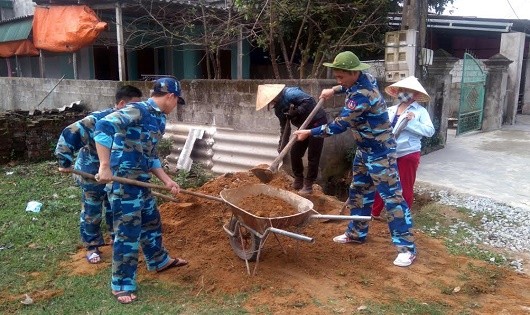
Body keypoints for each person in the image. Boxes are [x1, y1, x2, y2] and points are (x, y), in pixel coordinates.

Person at [293, 51, 416, 267]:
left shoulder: (361, 97)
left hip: (381, 153)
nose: (338, 80)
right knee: (359, 192)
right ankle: (356, 234)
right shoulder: (365, 78)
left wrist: (309, 133)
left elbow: (338, 125)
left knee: (392, 199)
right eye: (336, 77)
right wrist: (335, 89)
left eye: (341, 77)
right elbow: (347, 87)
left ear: (354, 73)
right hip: (364, 150)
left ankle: (407, 249)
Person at [94, 77, 187, 304]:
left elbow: (151, 156)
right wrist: (104, 166)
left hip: (141, 181)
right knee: (128, 233)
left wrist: (167, 180)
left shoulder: (159, 119)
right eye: (177, 101)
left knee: (152, 222)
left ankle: (158, 260)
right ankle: (122, 284)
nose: (176, 106)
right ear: (170, 96)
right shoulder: (137, 110)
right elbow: (103, 127)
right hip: (124, 182)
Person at [55, 85, 143, 264]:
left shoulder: (130, 123)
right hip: (91, 172)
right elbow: (69, 134)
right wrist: (64, 162)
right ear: (121, 104)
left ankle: (114, 237)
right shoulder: (98, 120)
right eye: (133, 106)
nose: (136, 110)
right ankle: (92, 246)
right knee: (92, 209)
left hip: (115, 174)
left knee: (113, 206)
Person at [371, 76, 435, 219]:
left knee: (405, 186)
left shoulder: (420, 112)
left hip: (408, 153)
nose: (403, 93)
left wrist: (411, 122)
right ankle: (374, 212)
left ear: (415, 95)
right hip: (388, 152)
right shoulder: (391, 110)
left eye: (408, 91)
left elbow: (430, 131)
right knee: (383, 183)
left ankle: (402, 217)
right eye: (401, 90)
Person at [255, 84, 328, 193]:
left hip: (317, 122)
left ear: (274, 96)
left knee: (313, 155)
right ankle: (299, 179)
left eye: (270, 101)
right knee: (295, 152)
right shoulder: (278, 109)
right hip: (303, 127)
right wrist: (281, 146)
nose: (270, 104)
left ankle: (308, 184)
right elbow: (284, 128)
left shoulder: (291, 93)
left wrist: (297, 111)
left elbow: (310, 101)